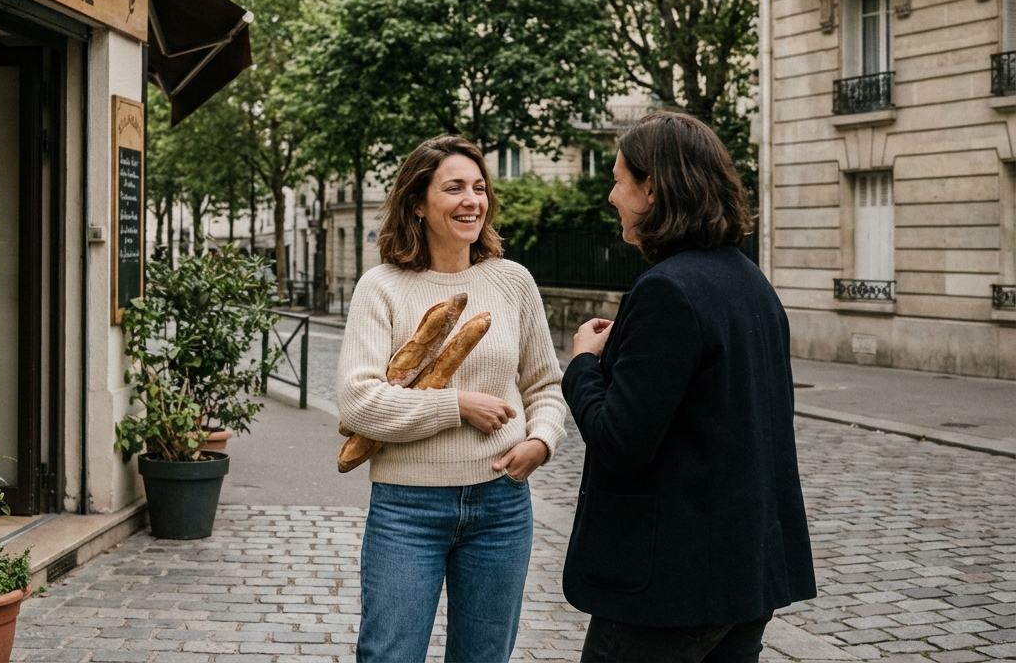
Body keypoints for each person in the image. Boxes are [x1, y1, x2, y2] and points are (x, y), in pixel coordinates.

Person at [563, 111, 817, 663]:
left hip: (670, 590)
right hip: (744, 576)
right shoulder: (750, 281)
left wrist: (582, 365)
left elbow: (621, 440)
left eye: (618, 179)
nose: (611, 196)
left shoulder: (667, 292)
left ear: (651, 188)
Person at [337, 134, 568, 663]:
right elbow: (358, 402)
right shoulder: (382, 287)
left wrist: (542, 441)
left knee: (484, 656)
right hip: (407, 508)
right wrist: (456, 406)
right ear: (418, 203)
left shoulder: (513, 282)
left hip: (502, 506)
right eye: (455, 188)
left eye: (480, 188)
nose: (472, 200)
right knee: (389, 654)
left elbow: (545, 386)